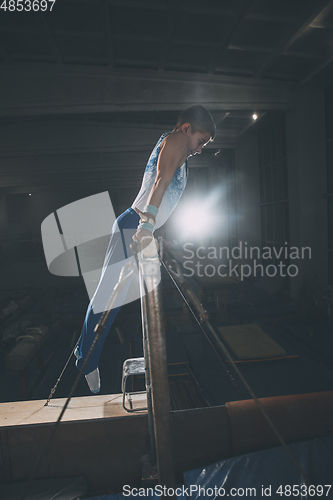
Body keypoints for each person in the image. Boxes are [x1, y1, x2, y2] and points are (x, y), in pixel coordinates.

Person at [75, 105, 216, 392]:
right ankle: (86, 359)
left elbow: (164, 194)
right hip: (135, 224)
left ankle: (84, 350)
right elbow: (161, 181)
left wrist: (155, 229)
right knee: (106, 298)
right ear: (187, 128)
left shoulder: (182, 152)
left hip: (141, 226)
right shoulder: (176, 139)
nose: (200, 149)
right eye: (201, 141)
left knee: (115, 299)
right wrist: (148, 224)